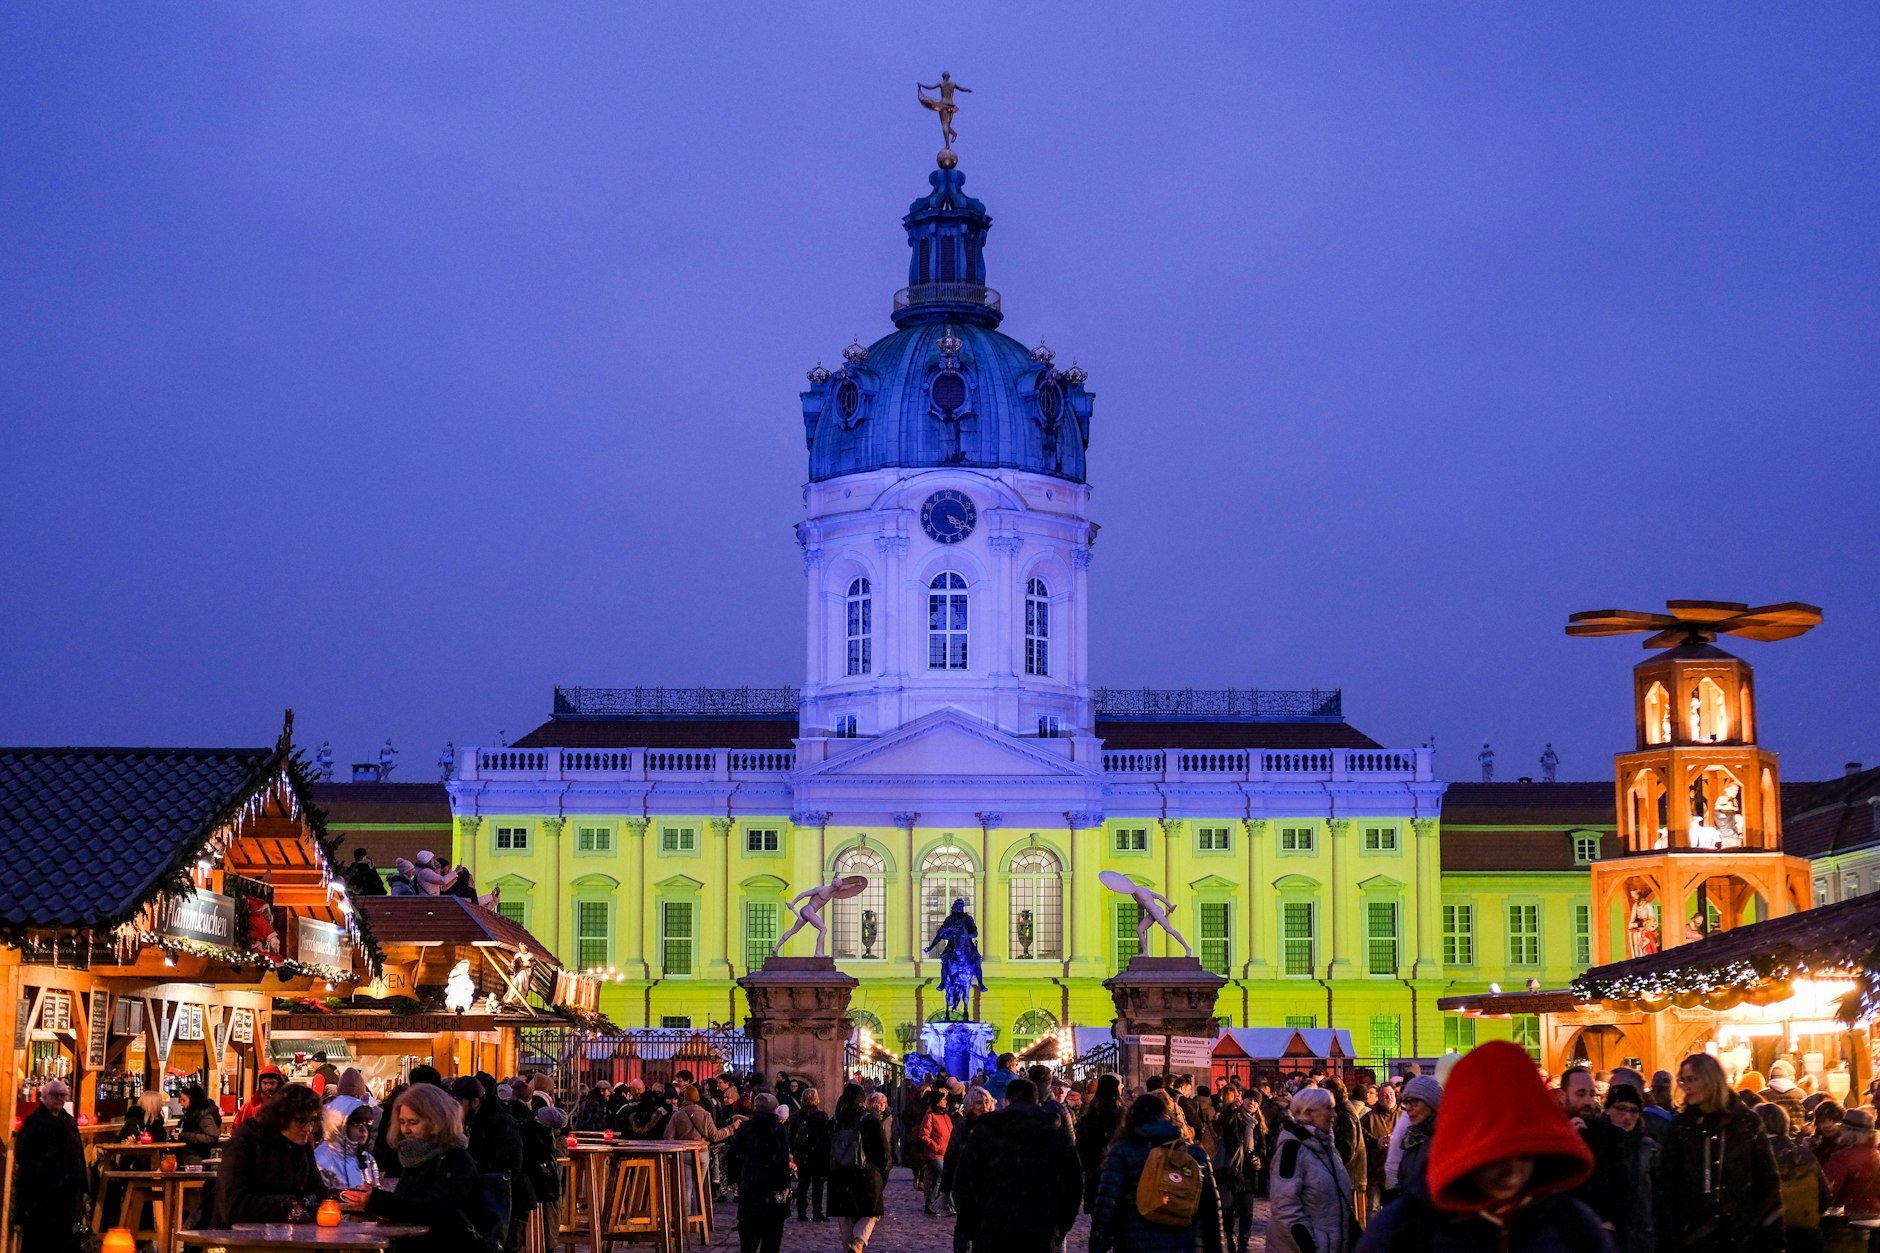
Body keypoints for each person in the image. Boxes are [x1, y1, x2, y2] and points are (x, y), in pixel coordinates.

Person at [1355, 1040, 1611, 1253]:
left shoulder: (1571, 1225)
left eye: (1523, 1151)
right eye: (1495, 1153)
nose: (1512, 1168)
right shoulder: (1403, 1229)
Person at [1658, 1052, 1784, 1253]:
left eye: (1691, 1079)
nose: (1685, 1086)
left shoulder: (1746, 1123)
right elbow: (1667, 1186)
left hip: (1742, 1237)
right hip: (1694, 1240)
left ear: (1710, 1079)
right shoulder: (1681, 1128)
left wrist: (1773, 1238)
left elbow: (1767, 1182)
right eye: (1682, 1080)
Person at [349, 1083, 484, 1253]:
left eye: (413, 1122)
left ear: (436, 1121)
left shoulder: (456, 1160)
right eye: (402, 1122)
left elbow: (433, 1209)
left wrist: (378, 1200)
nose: (406, 1130)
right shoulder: (414, 1157)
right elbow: (409, 1205)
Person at [953, 1078, 1083, 1253]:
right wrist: (1060, 1227)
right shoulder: (1056, 1134)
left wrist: (971, 1227)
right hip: (1040, 1227)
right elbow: (1073, 1186)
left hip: (993, 1227)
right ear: (1037, 1101)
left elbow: (964, 1183)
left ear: (1007, 1101)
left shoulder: (985, 1132)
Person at [1090, 1091, 1224, 1253]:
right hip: (1186, 1243)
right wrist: (1214, 1247)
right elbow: (1210, 1210)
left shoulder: (1123, 1151)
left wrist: (1098, 1244)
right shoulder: (1194, 1154)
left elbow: (1108, 1206)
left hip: (1137, 1243)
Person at [216, 1083, 327, 1224]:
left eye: (312, 1121)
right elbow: (233, 1206)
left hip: (291, 1237)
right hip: (236, 1238)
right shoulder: (245, 1144)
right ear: (281, 1118)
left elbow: (319, 1193)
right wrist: (288, 1205)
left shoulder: (302, 1147)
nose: (308, 1128)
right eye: (300, 1121)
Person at [1270, 1087, 1358, 1253]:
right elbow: (1285, 1208)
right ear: (1309, 1112)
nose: (1334, 1115)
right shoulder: (1292, 1150)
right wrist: (1311, 1247)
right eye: (1328, 1109)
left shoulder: (1327, 1148)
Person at [450, 1075, 530, 1250]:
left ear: (475, 1102)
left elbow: (511, 1165)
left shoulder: (500, 1122)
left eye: (458, 1103)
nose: (454, 1109)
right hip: (483, 1201)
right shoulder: (471, 1122)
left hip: (508, 1202)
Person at [11, 1080, 88, 1253]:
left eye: (63, 1095)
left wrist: (84, 1187)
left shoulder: (69, 1122)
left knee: (65, 1241)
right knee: (40, 1242)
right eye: (56, 1095)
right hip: (42, 1197)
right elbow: (24, 1157)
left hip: (67, 1197)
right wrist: (48, 1174)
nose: (60, 1099)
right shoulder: (33, 1123)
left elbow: (79, 1156)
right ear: (44, 1097)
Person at [1559, 1067, 1633, 1240]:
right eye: (1581, 1094)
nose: (1588, 1101)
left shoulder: (1610, 1136)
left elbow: (1622, 1186)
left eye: (1592, 1094)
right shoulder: (1550, 1138)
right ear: (1563, 1096)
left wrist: (1612, 1222)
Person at [724, 1091, 796, 1253]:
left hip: (750, 1186)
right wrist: (785, 1185)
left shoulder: (746, 1128)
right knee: (771, 1239)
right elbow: (782, 1160)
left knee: (748, 1241)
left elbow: (732, 1154)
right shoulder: (778, 1129)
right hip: (773, 1188)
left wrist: (735, 1178)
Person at [828, 1081, 890, 1253]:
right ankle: (859, 1240)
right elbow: (884, 1153)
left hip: (840, 1176)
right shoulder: (871, 1121)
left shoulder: (834, 1122)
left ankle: (850, 1244)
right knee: (871, 1213)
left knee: (846, 1216)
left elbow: (824, 1150)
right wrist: (881, 1172)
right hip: (867, 1174)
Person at [1755, 1103, 1826, 1253]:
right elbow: (1825, 1196)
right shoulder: (1805, 1154)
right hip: (1806, 1234)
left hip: (1768, 1236)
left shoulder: (1756, 1155)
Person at [1605, 1084, 1660, 1253]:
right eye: (1620, 1108)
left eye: (1633, 1110)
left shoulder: (1649, 1149)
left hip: (1642, 1236)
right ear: (1608, 1110)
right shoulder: (1598, 1143)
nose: (1627, 1116)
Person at [1213, 1084, 1265, 1253]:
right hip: (1229, 1170)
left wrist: (1259, 1157)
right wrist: (1231, 1108)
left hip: (1248, 1173)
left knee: (1247, 1212)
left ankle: (1243, 1243)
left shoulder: (1258, 1125)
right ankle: (1230, 1236)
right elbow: (1224, 1122)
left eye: (1256, 1102)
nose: (1252, 1103)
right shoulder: (1235, 1117)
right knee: (1227, 1208)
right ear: (1243, 1100)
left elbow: (1263, 1148)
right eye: (1250, 1099)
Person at [942, 1085, 995, 1239]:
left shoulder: (996, 1125)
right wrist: (945, 1188)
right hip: (965, 1183)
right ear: (971, 1105)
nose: (984, 1106)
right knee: (965, 1225)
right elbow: (951, 1157)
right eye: (979, 1103)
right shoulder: (962, 1127)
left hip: (989, 1184)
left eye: (987, 1102)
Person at [1384, 1075, 1441, 1204]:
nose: (1409, 1107)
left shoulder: (1444, 1140)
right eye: (1406, 1102)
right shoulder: (1412, 1138)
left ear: (1431, 1103)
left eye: (1415, 1101)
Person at [1077, 1073, 1127, 1213]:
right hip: (1112, 1162)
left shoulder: (1092, 1110)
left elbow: (1082, 1138)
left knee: (1098, 1204)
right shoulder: (1118, 1112)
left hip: (1094, 1162)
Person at [316, 1096, 383, 1191]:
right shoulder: (321, 1161)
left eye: (366, 1123)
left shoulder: (367, 1158)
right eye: (355, 1124)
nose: (363, 1130)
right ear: (338, 1127)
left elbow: (376, 1192)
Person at [1325, 1078, 1367, 1225]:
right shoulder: (1341, 1108)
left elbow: (1348, 1147)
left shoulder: (1344, 1111)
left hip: (1351, 1175)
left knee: (1353, 1220)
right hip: (1349, 1174)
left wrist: (1337, 1167)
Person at [1826, 1107, 1880, 1219]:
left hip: (1851, 1217)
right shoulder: (1876, 1155)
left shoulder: (1842, 1157)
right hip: (1876, 1215)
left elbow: (1830, 1190)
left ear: (1849, 1132)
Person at [791, 1085, 832, 1222]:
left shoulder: (795, 1117)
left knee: (803, 1183)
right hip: (817, 1155)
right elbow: (826, 1137)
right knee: (817, 1184)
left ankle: (801, 1213)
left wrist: (795, 1151)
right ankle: (817, 1212)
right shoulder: (821, 1117)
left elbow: (792, 1137)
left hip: (802, 1154)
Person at [1360, 1083, 1397, 1219]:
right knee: (1373, 1209)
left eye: (1391, 1094)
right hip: (1375, 1172)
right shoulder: (1368, 1118)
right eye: (1384, 1095)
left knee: (1396, 1212)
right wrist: (1376, 1142)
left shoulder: (1404, 1117)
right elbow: (1361, 1137)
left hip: (1397, 1176)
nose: (1388, 1098)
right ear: (1378, 1098)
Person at [914, 1089, 953, 1215]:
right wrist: (936, 1147)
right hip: (935, 1154)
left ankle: (935, 1204)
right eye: (943, 1100)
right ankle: (939, 1204)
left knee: (937, 1179)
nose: (945, 1102)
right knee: (941, 1177)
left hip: (945, 1153)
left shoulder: (945, 1116)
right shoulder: (930, 1116)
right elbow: (923, 1135)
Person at [175, 1082, 223, 1167]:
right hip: (188, 1158)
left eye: (184, 1100)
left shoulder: (204, 1116)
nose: (181, 1104)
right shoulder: (190, 1116)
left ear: (193, 1101)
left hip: (195, 1160)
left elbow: (212, 1138)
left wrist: (184, 1136)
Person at [1760, 1061, 1807, 1126]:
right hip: (1799, 1133)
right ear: (1786, 1076)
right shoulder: (1800, 1093)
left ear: (1770, 1078)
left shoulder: (1762, 1095)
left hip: (1775, 1134)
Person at [1808, 1102, 1845, 1170]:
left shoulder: (1847, 1145)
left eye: (1832, 1120)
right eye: (1822, 1121)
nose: (1827, 1125)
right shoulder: (1814, 1145)